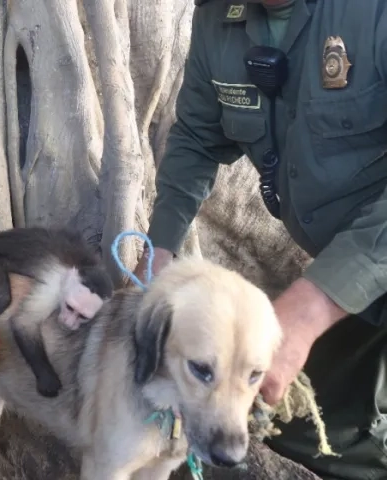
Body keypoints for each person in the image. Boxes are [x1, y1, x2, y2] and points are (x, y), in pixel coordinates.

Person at [134, 0, 387, 478]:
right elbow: (195, 136)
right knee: (288, 424)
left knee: (355, 449)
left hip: (354, 275)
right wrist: (160, 251)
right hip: (352, 284)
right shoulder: (218, 21)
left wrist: (309, 309)